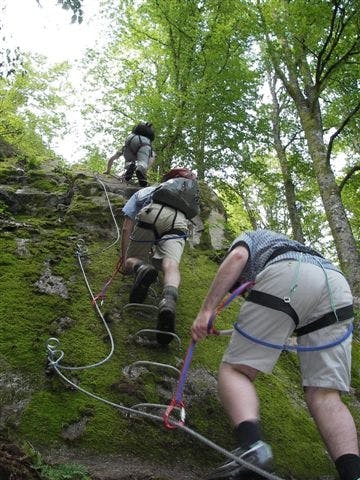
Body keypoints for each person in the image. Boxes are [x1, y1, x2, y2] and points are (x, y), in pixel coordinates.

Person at [191, 229, 359, 480]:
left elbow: (237, 257)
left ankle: (252, 449)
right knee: (324, 393)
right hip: (337, 286)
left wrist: (206, 311)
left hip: (291, 273)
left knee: (236, 370)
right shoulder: (288, 243)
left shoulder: (250, 237)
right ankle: (353, 474)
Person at [121, 167, 200, 344]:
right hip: (178, 219)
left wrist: (125, 258)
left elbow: (127, 227)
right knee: (171, 265)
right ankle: (169, 301)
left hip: (151, 212)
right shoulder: (184, 196)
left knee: (131, 261)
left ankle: (141, 267)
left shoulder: (146, 191)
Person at [105, 122, 155, 187]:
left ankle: (130, 165)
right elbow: (151, 158)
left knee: (128, 162)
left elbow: (113, 158)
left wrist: (108, 170)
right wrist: (145, 170)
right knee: (144, 161)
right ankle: (141, 169)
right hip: (145, 144)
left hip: (130, 141)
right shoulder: (147, 140)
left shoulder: (130, 137)